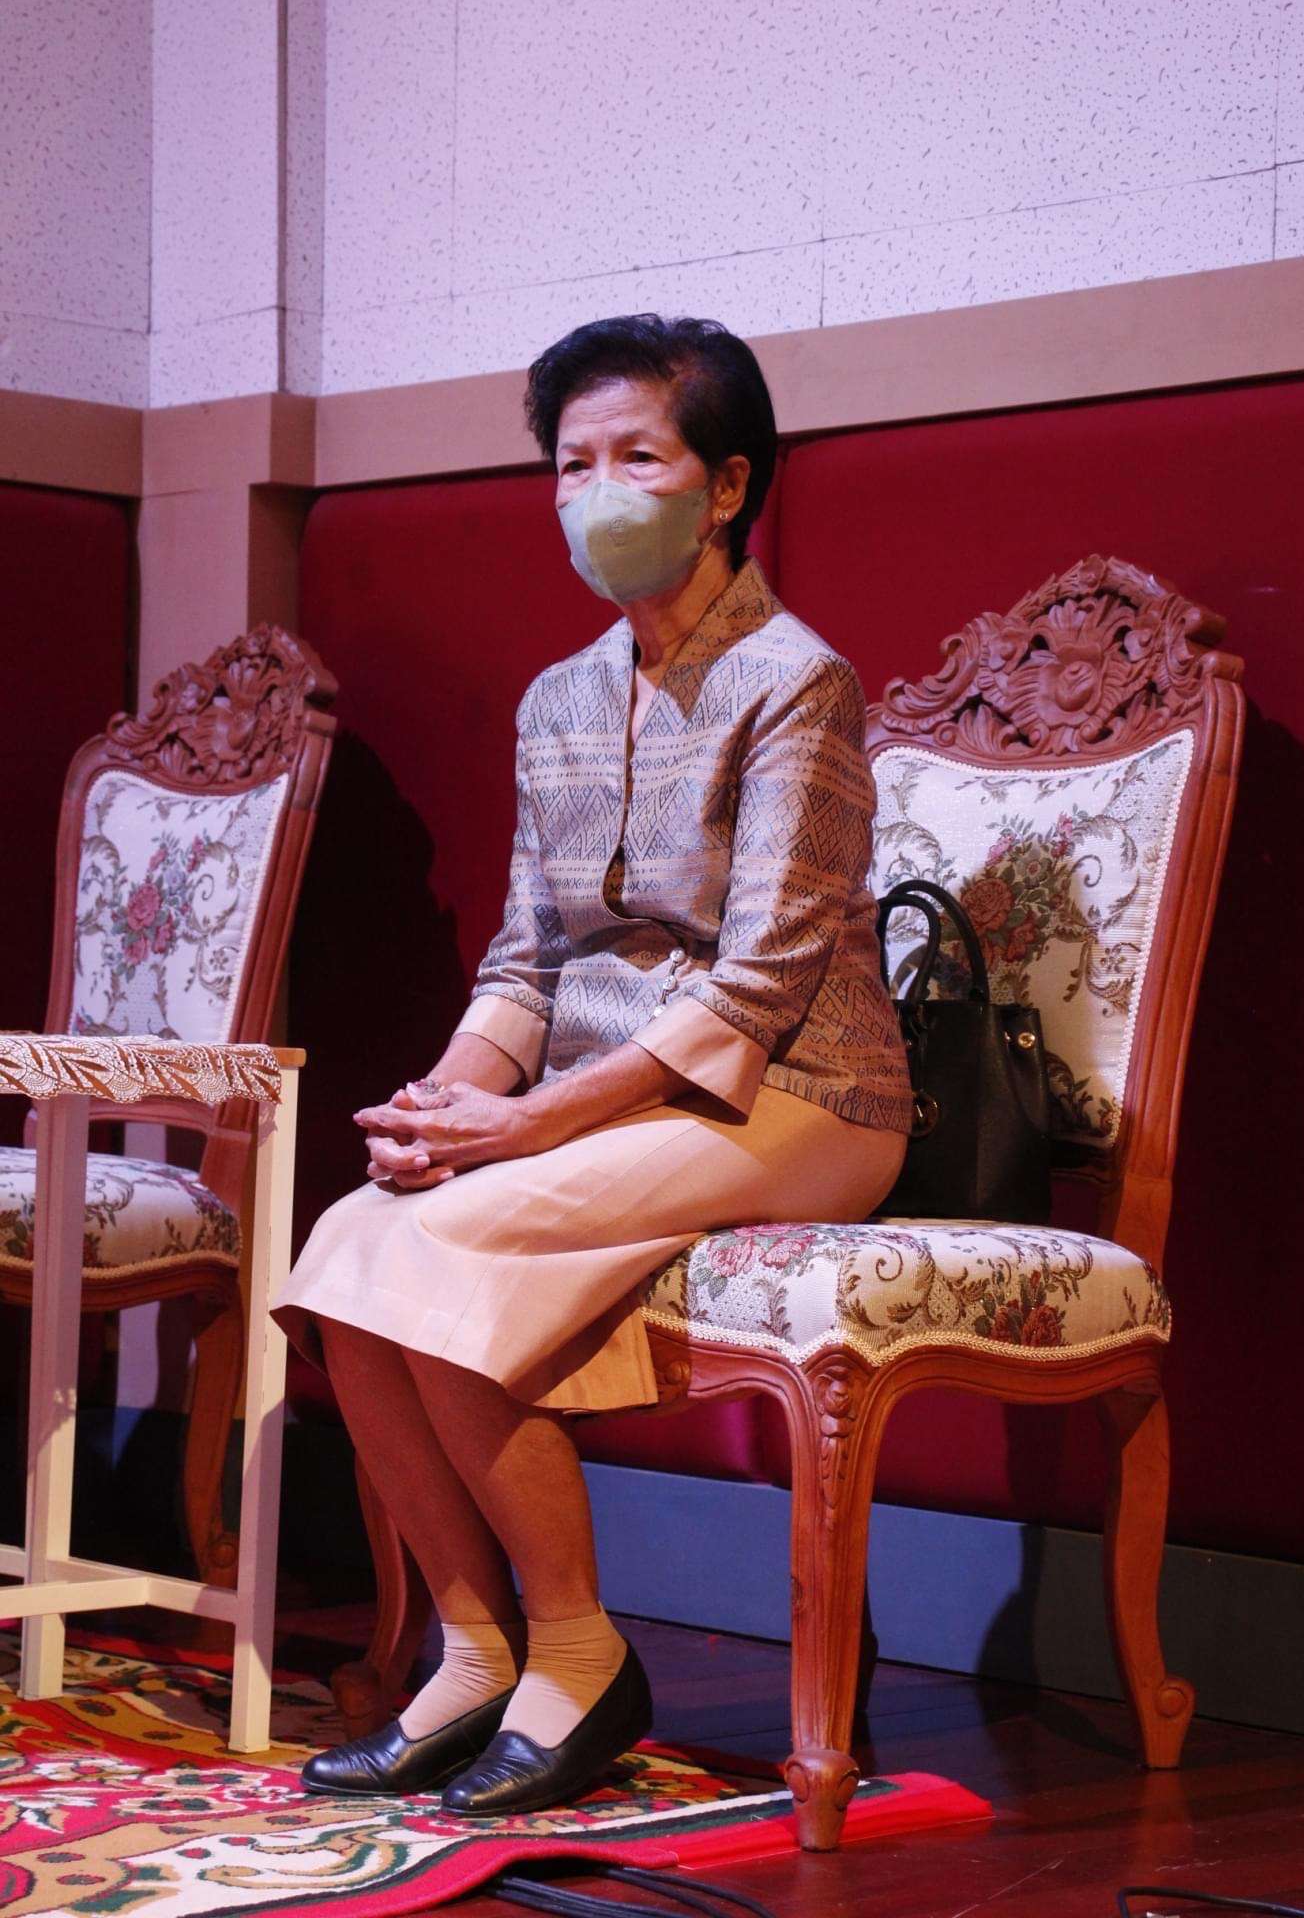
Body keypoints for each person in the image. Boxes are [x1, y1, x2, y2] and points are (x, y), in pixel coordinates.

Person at [272, 314, 913, 1816]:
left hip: (803, 1095)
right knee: (351, 1241)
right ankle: (474, 1650)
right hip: (613, 1099)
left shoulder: (797, 681)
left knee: (458, 1239)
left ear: (727, 485)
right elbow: (527, 961)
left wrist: (518, 1135)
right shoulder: (558, 697)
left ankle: (579, 1655)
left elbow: (759, 990)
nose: (596, 491)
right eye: (571, 463)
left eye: (638, 456)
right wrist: (446, 1105)